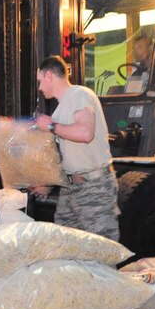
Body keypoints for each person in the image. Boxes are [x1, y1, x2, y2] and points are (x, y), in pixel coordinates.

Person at [33, 55, 120, 241]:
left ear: (49, 75)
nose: (40, 88)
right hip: (71, 189)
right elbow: (68, 155)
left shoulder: (80, 95)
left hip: (93, 188)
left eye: (40, 81)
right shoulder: (60, 109)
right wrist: (48, 184)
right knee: (64, 245)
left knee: (101, 249)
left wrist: (51, 126)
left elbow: (85, 133)